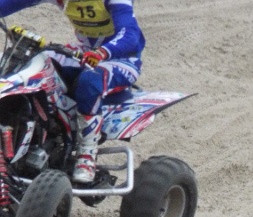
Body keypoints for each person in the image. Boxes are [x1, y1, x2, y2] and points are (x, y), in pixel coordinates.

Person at [0, 0, 146, 184]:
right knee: (30, 63)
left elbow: (129, 34)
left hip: (121, 58)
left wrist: (102, 52)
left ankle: (87, 153)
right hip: (84, 52)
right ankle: (41, 131)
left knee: (89, 82)